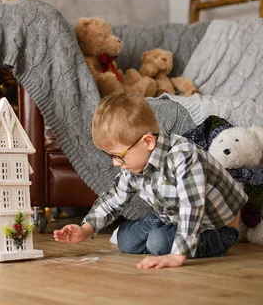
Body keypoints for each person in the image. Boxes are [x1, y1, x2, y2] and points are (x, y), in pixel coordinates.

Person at [54, 92, 247, 269]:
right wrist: (85, 229)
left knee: (158, 243)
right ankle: (157, 234)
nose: (115, 163)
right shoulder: (133, 163)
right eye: (110, 156)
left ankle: (165, 239)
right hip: (172, 216)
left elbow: (192, 206)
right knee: (125, 240)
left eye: (117, 155)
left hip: (215, 225)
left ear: (147, 142)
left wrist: (177, 255)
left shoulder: (183, 156)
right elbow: (114, 199)